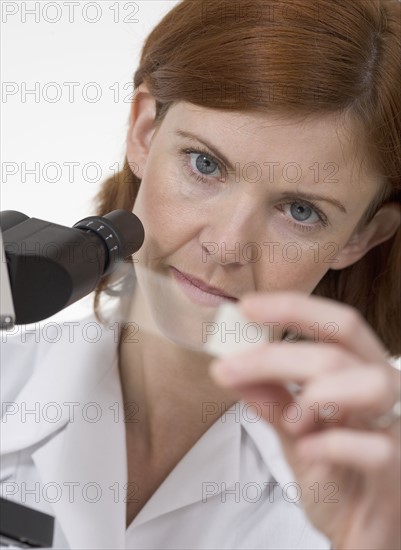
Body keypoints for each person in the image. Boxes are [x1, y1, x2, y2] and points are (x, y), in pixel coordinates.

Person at [1, 0, 400, 548]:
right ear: (143, 131)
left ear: (361, 236)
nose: (227, 246)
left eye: (300, 210)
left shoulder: (379, 482)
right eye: (205, 164)